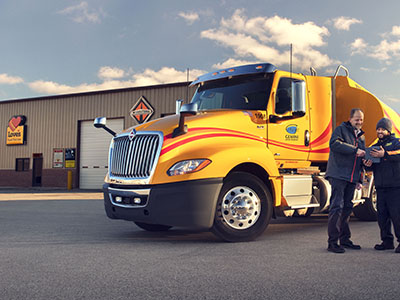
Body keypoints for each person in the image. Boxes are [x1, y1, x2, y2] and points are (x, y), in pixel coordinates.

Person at [325, 108, 366, 253]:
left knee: (347, 208)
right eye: (357, 119)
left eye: (361, 119)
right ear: (350, 119)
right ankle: (332, 243)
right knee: (337, 207)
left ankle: (345, 240)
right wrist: (355, 150)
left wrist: (360, 179)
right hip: (338, 175)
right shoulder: (340, 130)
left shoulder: (361, 136)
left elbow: (361, 159)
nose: (359, 122)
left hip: (352, 177)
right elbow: (334, 144)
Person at [364, 118, 400, 253]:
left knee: (397, 216)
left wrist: (385, 154)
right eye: (378, 129)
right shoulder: (375, 145)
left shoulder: (396, 143)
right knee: (382, 216)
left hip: (395, 186)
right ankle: (387, 241)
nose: (379, 131)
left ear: (388, 130)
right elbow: (373, 164)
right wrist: (368, 164)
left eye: (382, 129)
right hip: (380, 186)